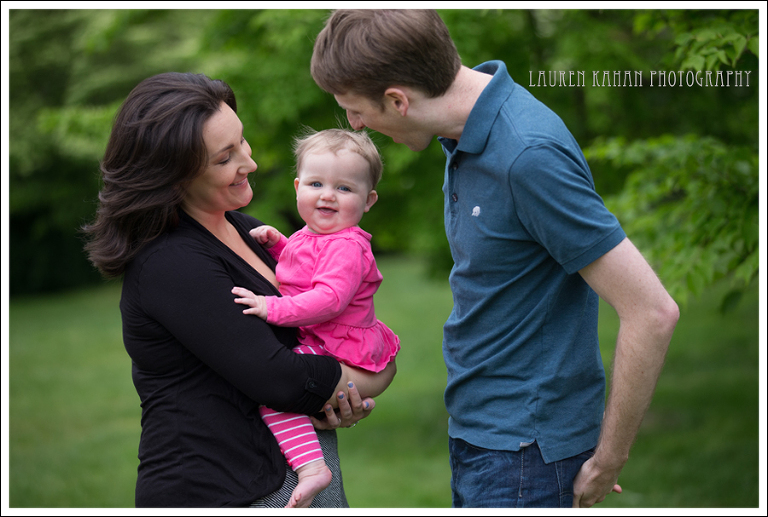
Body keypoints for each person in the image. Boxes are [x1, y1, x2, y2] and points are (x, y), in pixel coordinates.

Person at [310, 9, 679, 509]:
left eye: (355, 110)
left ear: (398, 101)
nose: (355, 126)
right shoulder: (461, 129)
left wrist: (609, 458)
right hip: (485, 434)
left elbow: (652, 311)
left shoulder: (527, 155)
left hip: (525, 451)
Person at [82, 72, 396, 508]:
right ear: (175, 176)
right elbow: (278, 377)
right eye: (225, 157)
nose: (249, 162)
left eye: (242, 141)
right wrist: (374, 375)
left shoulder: (247, 231)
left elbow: (320, 327)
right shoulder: (171, 263)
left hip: (294, 468)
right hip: (225, 486)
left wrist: (339, 396)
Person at [230, 128, 400, 508]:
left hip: (340, 345)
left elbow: (328, 298)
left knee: (276, 391)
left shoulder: (347, 245)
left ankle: (311, 468)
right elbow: (309, 269)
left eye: (344, 188)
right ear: (297, 186)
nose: (327, 194)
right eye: (316, 183)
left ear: (368, 199)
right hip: (325, 340)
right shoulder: (315, 235)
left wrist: (269, 307)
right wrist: (281, 246)